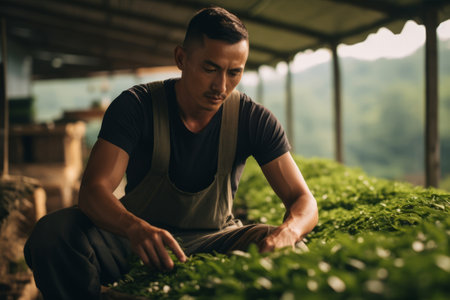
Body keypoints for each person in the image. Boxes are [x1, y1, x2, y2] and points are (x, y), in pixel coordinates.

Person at [24, 6, 318, 300]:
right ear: (181, 58)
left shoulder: (253, 119)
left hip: (214, 240)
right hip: (132, 240)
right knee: (53, 234)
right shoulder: (136, 106)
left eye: (234, 72)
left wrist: (288, 233)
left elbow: (303, 200)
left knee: (295, 251)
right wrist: (134, 227)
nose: (221, 86)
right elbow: (93, 191)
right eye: (210, 68)